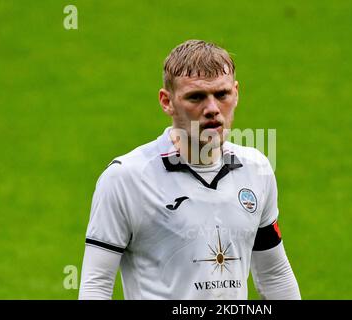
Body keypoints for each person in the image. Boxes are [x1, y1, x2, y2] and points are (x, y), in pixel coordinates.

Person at [78, 40, 301, 300]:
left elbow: (274, 274)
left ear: (236, 94)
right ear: (167, 101)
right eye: (196, 97)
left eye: (222, 94)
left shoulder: (256, 169)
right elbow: (96, 285)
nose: (212, 109)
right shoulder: (126, 178)